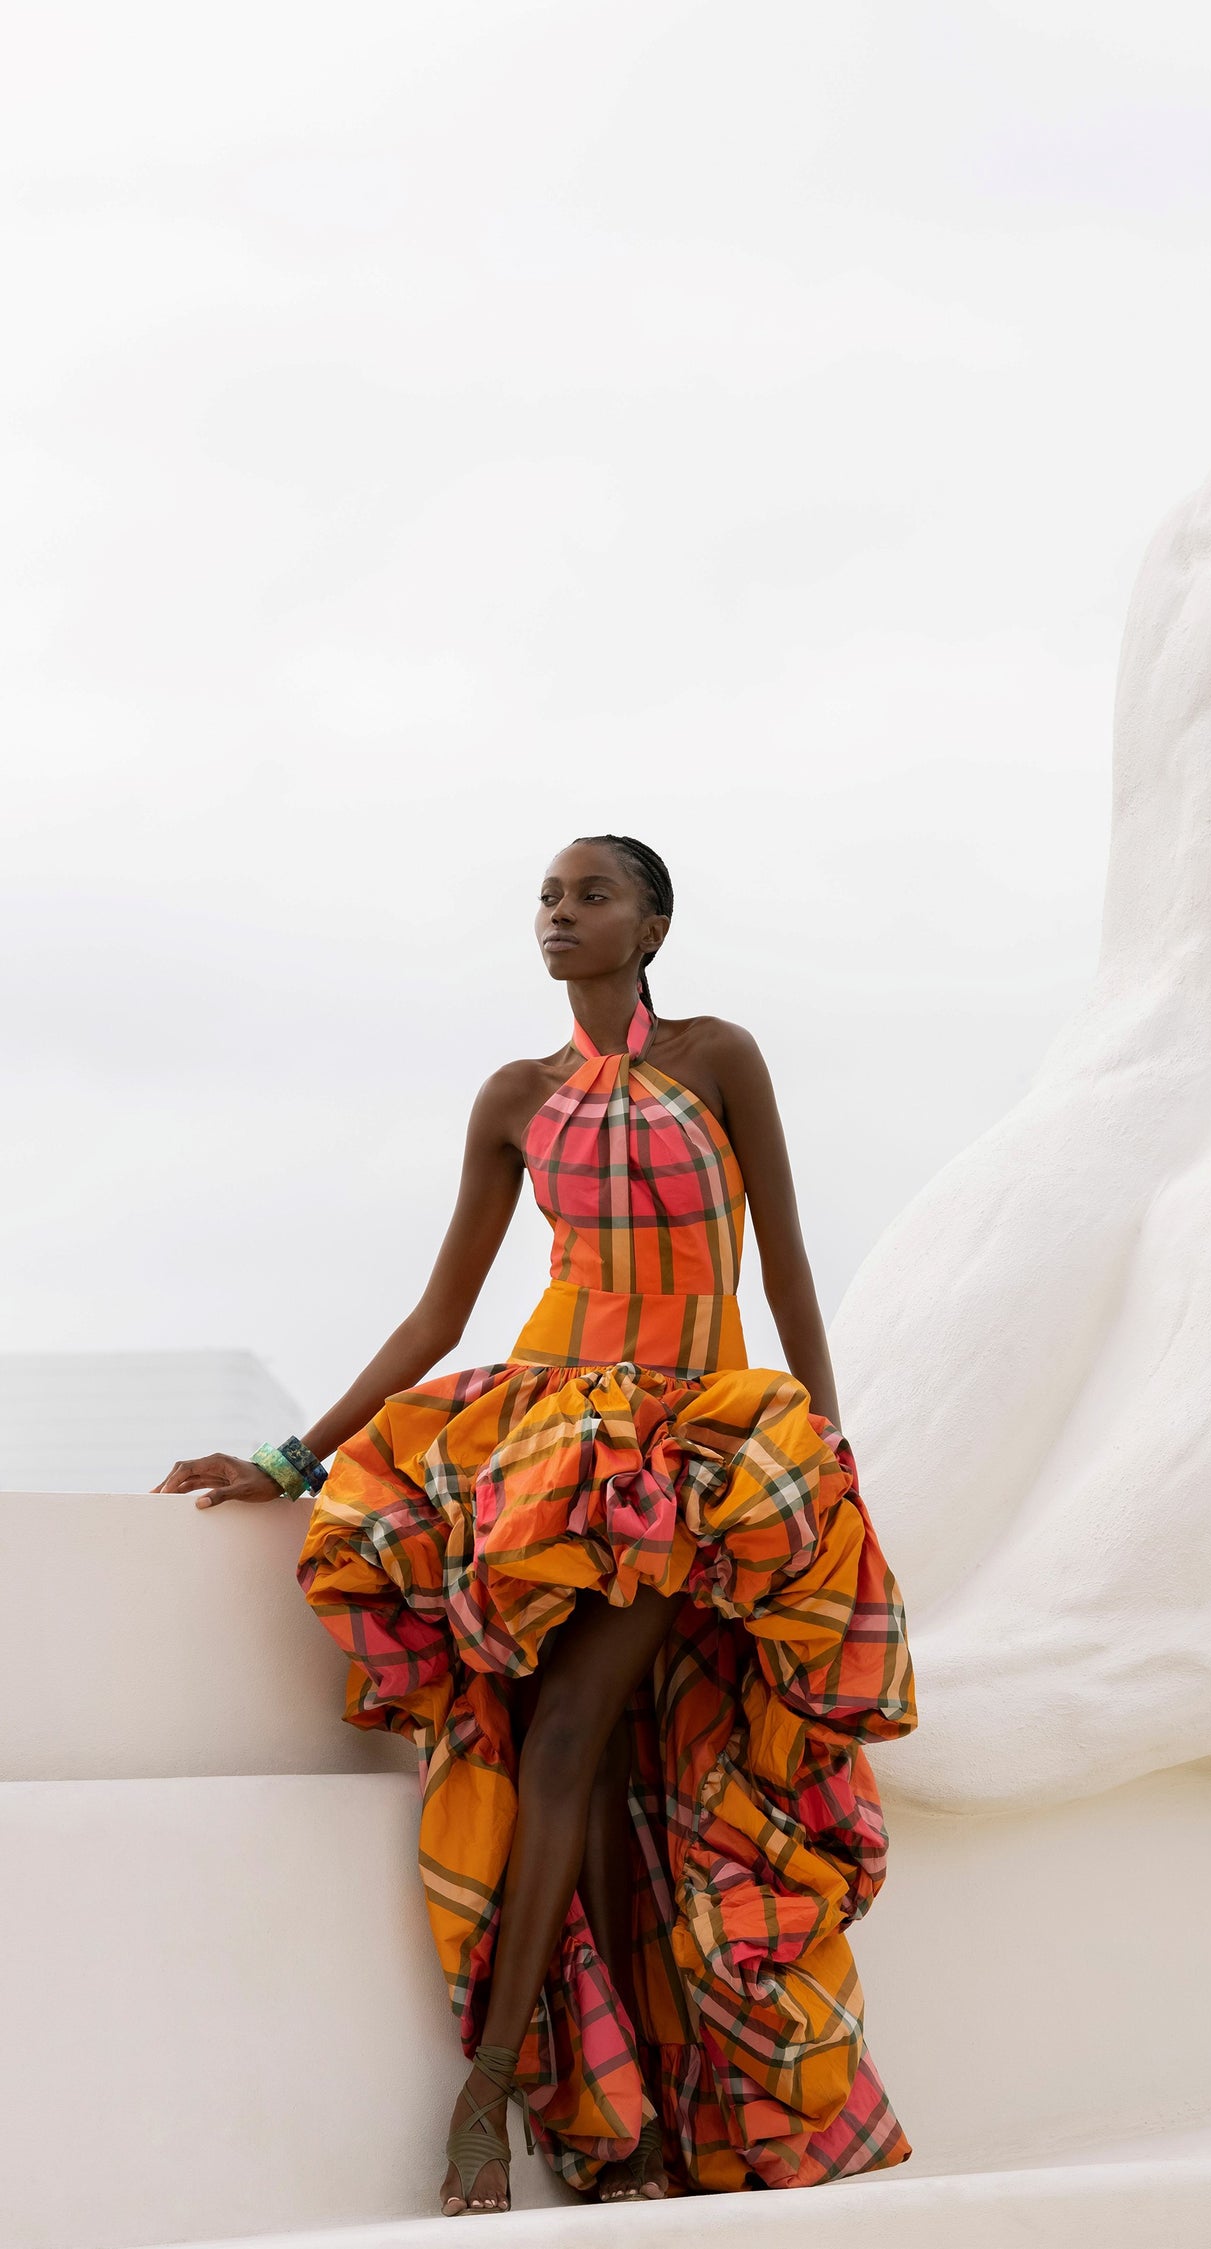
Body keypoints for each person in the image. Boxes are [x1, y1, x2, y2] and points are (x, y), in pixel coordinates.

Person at [156, 833, 917, 2216]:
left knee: (598, 1740)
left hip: (690, 1439)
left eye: (592, 896)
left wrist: (823, 1441)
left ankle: (506, 2084)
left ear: (654, 923)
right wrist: (289, 1457)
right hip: (559, 1439)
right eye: (549, 899)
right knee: (584, 1751)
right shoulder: (514, 1098)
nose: (561, 916)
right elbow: (438, 1315)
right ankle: (584, 2107)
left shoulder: (720, 1057)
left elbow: (790, 1263)